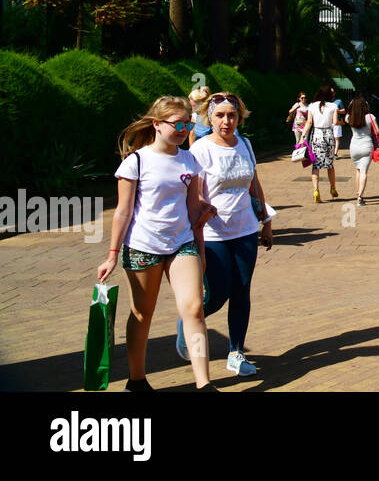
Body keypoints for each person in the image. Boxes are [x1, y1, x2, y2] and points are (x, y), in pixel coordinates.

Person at [97, 96, 217, 391]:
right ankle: (137, 380)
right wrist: (112, 255)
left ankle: (204, 383)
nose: (183, 129)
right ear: (156, 124)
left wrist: (200, 249)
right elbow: (123, 212)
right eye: (177, 123)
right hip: (142, 246)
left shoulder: (190, 160)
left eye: (187, 123)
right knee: (142, 313)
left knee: (194, 308)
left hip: (181, 243)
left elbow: (192, 212)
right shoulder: (136, 162)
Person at [189, 92, 272, 377]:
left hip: (246, 230)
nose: (226, 121)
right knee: (217, 292)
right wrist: (203, 210)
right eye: (220, 115)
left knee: (242, 291)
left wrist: (266, 222)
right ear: (209, 118)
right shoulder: (201, 149)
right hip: (214, 234)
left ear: (239, 117)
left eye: (232, 115)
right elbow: (196, 194)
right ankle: (189, 321)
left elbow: (254, 186)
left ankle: (236, 352)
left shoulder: (245, 144)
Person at [300, 86, 340, 203]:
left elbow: (309, 122)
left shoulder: (312, 106)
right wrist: (343, 122)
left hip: (316, 135)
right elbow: (335, 122)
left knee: (316, 165)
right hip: (328, 134)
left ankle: (316, 190)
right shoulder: (333, 106)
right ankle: (332, 188)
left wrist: (303, 136)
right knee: (330, 164)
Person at [347, 96, 379, 204]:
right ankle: (360, 196)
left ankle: (358, 192)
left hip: (354, 147)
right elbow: (377, 132)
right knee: (364, 171)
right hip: (366, 146)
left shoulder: (350, 117)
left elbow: (347, 112)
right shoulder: (370, 117)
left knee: (358, 170)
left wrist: (351, 104)